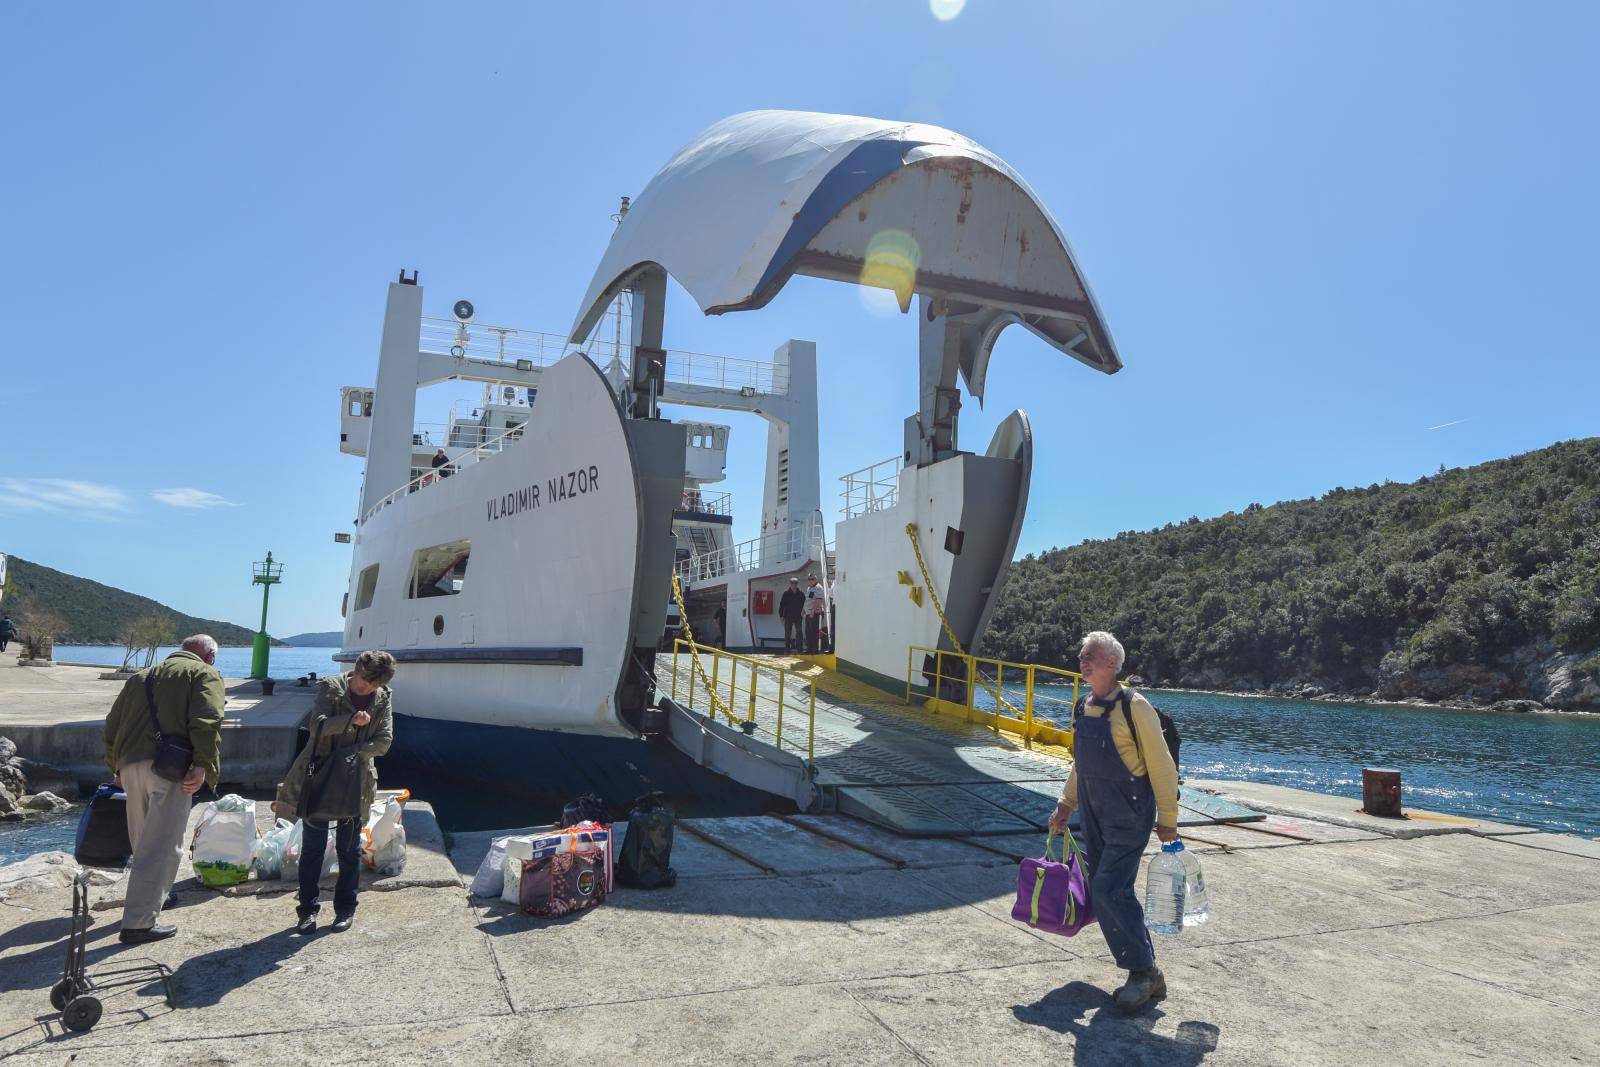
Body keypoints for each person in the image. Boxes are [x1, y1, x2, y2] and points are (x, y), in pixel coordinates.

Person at [1048, 631, 1180, 1015]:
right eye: (1081, 655)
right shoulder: (1082, 706)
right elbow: (1082, 763)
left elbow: (1161, 766)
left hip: (1130, 812)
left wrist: (1167, 819)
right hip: (1094, 810)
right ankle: (1147, 972)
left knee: (1107, 888)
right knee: (1114, 890)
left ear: (1112, 662)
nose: (1082, 660)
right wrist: (1065, 803)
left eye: (1090, 655)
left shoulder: (1134, 706)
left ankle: (1142, 971)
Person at [102, 634, 226, 944]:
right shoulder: (203, 674)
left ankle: (158, 897)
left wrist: (115, 766)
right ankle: (138, 923)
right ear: (209, 656)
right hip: (169, 769)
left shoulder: (139, 678)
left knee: (142, 840)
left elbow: (111, 725)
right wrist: (202, 764)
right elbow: (207, 720)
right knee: (161, 844)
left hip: (130, 766)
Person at [275, 650, 396, 934]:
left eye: (372, 684)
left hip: (357, 781)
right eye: (363, 681)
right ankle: (307, 911)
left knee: (349, 850)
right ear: (356, 670)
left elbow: (384, 741)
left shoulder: (383, 699)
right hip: (319, 776)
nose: (365, 687)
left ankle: (345, 909)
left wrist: (353, 752)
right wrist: (350, 721)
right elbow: (315, 727)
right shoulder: (331, 688)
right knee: (313, 848)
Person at [779, 577, 805, 653]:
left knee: (799, 633)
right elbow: (782, 605)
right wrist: (781, 615)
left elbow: (805, 604)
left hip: (798, 616)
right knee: (787, 634)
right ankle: (787, 649)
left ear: (797, 584)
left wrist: (804, 611)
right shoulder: (786, 593)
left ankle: (800, 649)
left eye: (795, 583)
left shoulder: (801, 593)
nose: (794, 584)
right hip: (788, 616)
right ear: (790, 583)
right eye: (792, 583)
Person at [803, 574, 826, 653]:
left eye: (812, 579)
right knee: (808, 631)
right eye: (809, 579)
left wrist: (813, 610)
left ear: (816, 579)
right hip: (808, 613)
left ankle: (815, 650)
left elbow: (818, 601)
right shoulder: (809, 588)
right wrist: (803, 610)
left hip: (815, 613)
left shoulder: (818, 588)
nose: (811, 580)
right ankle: (809, 649)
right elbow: (807, 601)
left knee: (814, 632)